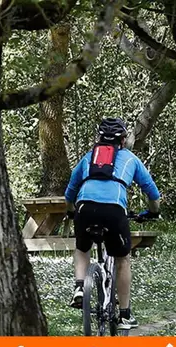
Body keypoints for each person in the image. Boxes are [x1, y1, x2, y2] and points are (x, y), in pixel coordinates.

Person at [64, 118, 161, 330]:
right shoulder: (130, 159)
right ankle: (125, 314)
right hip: (114, 210)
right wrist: (153, 211)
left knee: (82, 247)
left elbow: (70, 192)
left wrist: (72, 212)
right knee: (122, 259)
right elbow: (152, 192)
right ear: (123, 140)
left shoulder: (88, 158)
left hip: (84, 208)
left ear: (98, 139)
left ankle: (80, 287)